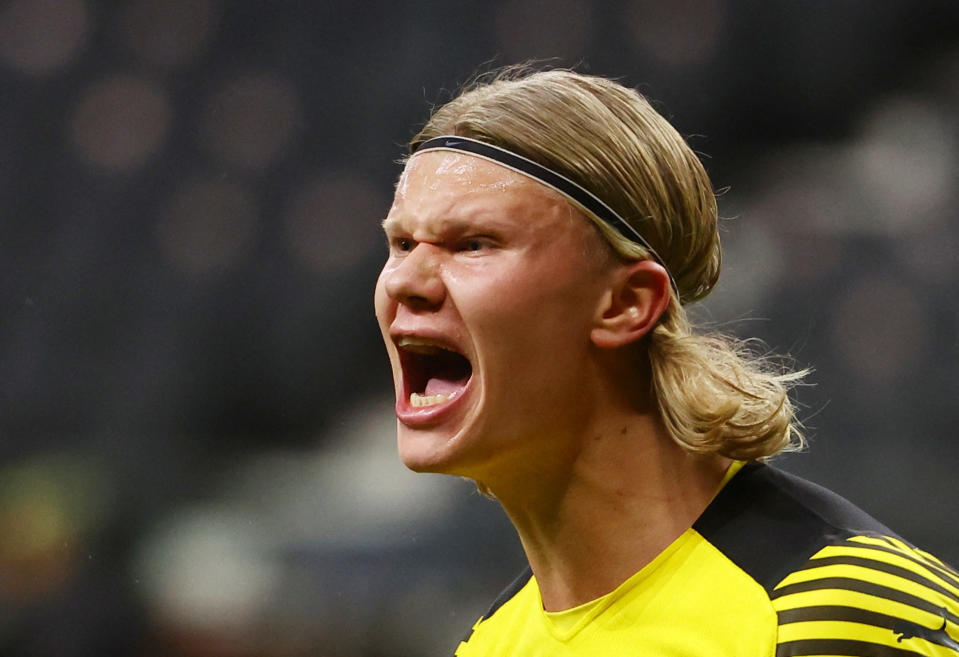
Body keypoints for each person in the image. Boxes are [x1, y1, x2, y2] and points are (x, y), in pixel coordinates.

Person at [372, 67, 959, 656]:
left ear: (627, 303)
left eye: (474, 243)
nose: (405, 281)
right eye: (401, 244)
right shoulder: (491, 644)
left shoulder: (844, 613)